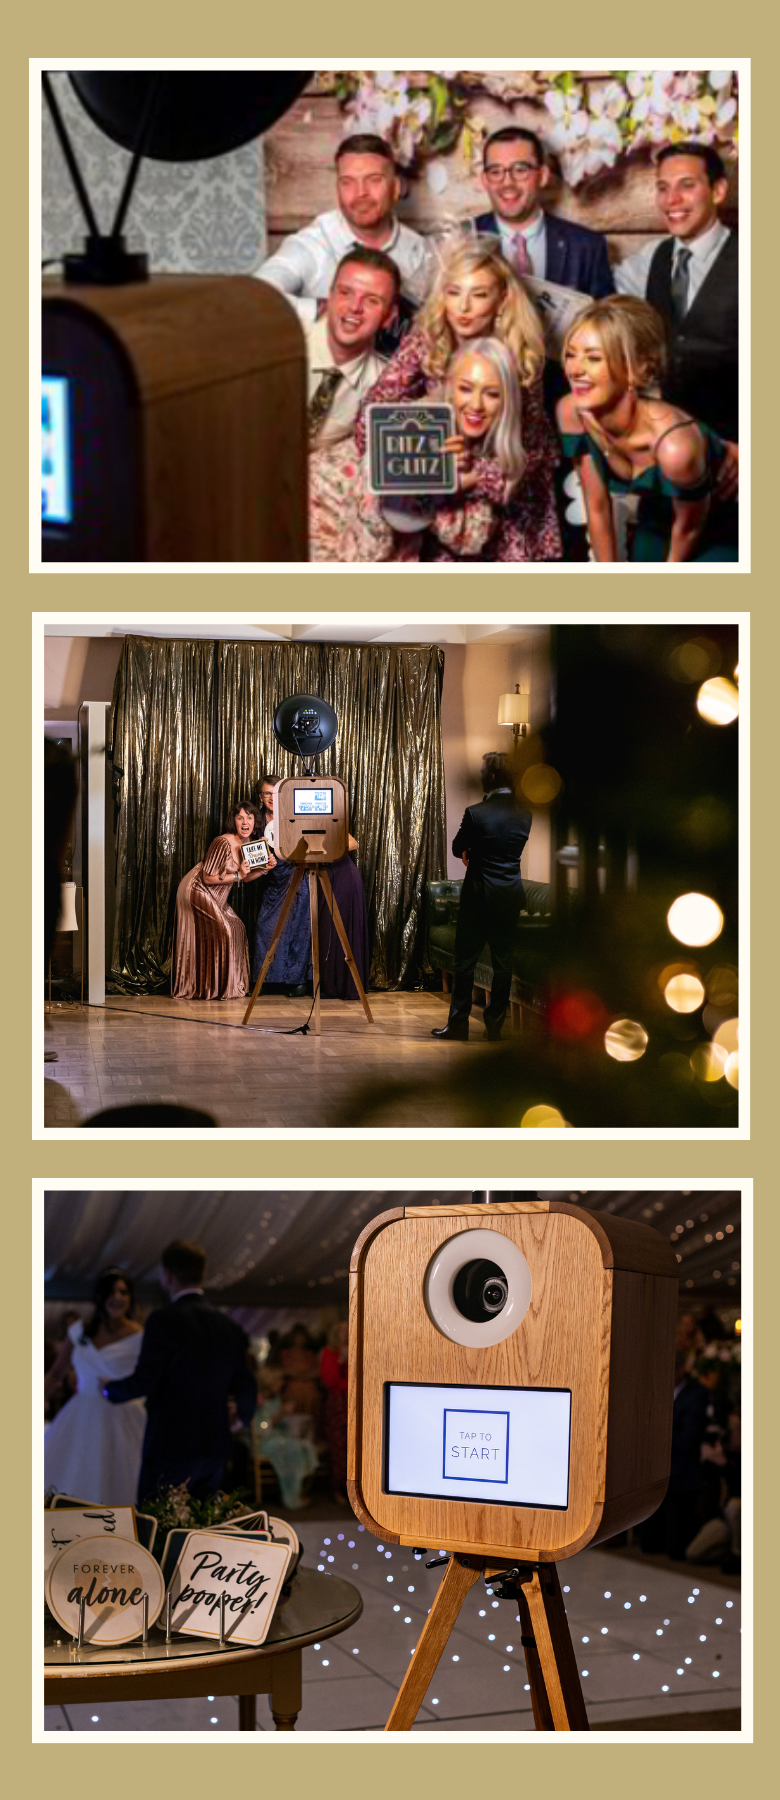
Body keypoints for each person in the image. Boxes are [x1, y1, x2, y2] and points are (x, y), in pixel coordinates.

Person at [355, 238, 561, 562]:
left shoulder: (521, 353)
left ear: (502, 299)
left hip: (508, 490)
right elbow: (370, 418)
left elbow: (533, 453)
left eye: (478, 295)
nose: (463, 307)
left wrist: (466, 475)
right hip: (439, 471)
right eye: (454, 292)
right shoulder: (428, 336)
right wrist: (426, 445)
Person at [557, 296, 737, 562]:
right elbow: (597, 507)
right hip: (659, 516)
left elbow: (688, 530)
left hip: (727, 523)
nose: (574, 369)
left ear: (636, 369)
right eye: (571, 354)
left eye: (593, 358)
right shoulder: (571, 412)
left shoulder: (675, 446)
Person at [104, 1240, 257, 1504]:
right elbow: (245, 1382)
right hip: (214, 1446)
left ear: (167, 1276)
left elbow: (146, 1379)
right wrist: (241, 1415)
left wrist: (109, 1389)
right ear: (202, 1274)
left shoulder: (163, 1321)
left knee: (158, 1521)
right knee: (204, 1521)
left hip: (170, 1445)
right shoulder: (229, 1327)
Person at [614, 144, 738, 449]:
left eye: (687, 185)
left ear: (718, 191)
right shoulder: (651, 257)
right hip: (669, 441)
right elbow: (600, 297)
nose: (671, 200)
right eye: (662, 187)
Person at [257, 133, 430, 340]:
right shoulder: (312, 245)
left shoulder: (421, 253)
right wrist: (326, 311)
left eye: (374, 180)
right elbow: (256, 297)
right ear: (337, 189)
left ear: (396, 188)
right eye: (347, 182)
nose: (360, 193)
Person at [386, 339, 528, 561]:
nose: (476, 405)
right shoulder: (417, 422)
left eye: (492, 394)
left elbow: (471, 539)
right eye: (465, 389)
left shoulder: (503, 460)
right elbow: (388, 517)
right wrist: (437, 477)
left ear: (506, 402)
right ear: (450, 387)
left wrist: (460, 481)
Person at [307, 247, 401, 562]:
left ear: (390, 317)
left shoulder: (386, 387)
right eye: (346, 293)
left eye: (372, 300)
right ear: (330, 296)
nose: (355, 308)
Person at [432, 751, 531, 1042]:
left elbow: (457, 847)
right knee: (503, 963)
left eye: (483, 769)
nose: (480, 773)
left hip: (478, 897)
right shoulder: (525, 813)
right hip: (509, 896)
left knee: (465, 962)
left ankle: (458, 1025)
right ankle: (494, 1027)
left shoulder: (476, 812)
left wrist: (471, 851)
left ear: (492, 775)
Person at [474, 126, 614, 298]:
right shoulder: (461, 239)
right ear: (485, 180)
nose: (507, 182)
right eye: (495, 172)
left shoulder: (587, 248)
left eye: (520, 170)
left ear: (543, 176)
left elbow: (608, 314)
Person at [44, 1270, 145, 1505]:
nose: (117, 1297)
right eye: (111, 1292)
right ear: (100, 1296)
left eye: (123, 1292)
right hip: (82, 1413)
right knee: (75, 1473)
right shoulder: (79, 1331)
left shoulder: (140, 1336)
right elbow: (57, 1372)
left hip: (124, 1414)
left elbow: (146, 1378)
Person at [172, 800, 274, 999]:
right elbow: (207, 878)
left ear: (255, 821)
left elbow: (246, 878)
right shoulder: (223, 842)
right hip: (197, 890)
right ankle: (211, 987)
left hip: (218, 894)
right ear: (233, 821)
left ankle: (230, 985)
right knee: (225, 930)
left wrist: (265, 869)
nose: (245, 822)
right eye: (240, 818)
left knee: (238, 927)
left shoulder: (251, 845)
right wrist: (239, 875)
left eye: (249, 817)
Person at [246, 1365, 318, 1512]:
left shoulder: (277, 1399)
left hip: (280, 1437)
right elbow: (261, 1429)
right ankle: (291, 1497)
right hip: (263, 1442)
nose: (280, 1385)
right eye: (278, 1381)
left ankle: (299, 1488)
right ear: (270, 1382)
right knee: (291, 1448)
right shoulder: (257, 1401)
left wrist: (285, 1413)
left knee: (306, 1445)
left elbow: (283, 1426)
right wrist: (279, 1414)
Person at [320, 1320, 349, 1506]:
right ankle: (338, 1487)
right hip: (338, 1403)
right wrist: (341, 1361)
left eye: (348, 1330)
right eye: (342, 1331)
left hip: (356, 1400)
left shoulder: (360, 1348)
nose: (345, 1334)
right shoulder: (329, 1352)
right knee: (338, 1445)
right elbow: (329, 1381)